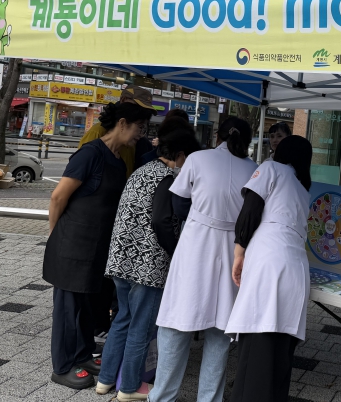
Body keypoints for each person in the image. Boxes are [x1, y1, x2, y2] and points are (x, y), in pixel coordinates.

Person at [43, 102, 153, 390]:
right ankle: (62, 366)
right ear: (122, 123)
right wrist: (56, 236)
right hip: (72, 245)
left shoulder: (117, 159)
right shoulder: (89, 154)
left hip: (96, 248)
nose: (140, 135)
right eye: (139, 128)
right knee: (68, 310)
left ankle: (82, 354)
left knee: (86, 308)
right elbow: (58, 197)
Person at [148, 117, 257, 402]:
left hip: (196, 244)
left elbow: (179, 203)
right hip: (234, 248)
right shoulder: (254, 169)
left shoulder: (197, 159)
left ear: (218, 135)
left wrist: (203, 212)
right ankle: (209, 399)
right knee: (220, 331)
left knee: (176, 322)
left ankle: (162, 397)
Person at [96, 128, 200, 401]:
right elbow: (161, 221)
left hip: (121, 260)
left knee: (122, 319)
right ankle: (130, 387)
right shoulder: (166, 178)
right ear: (180, 155)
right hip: (147, 266)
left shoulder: (142, 171)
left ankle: (105, 380)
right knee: (141, 327)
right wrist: (176, 251)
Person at [227, 135, 313, 402]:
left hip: (270, 262)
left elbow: (250, 210)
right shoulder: (302, 189)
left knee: (257, 345)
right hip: (296, 269)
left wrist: (238, 252)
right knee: (279, 353)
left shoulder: (271, 168)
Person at [79, 85, 156, 178]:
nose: (141, 114)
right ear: (123, 100)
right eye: (136, 107)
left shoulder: (137, 140)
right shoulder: (98, 132)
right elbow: (79, 171)